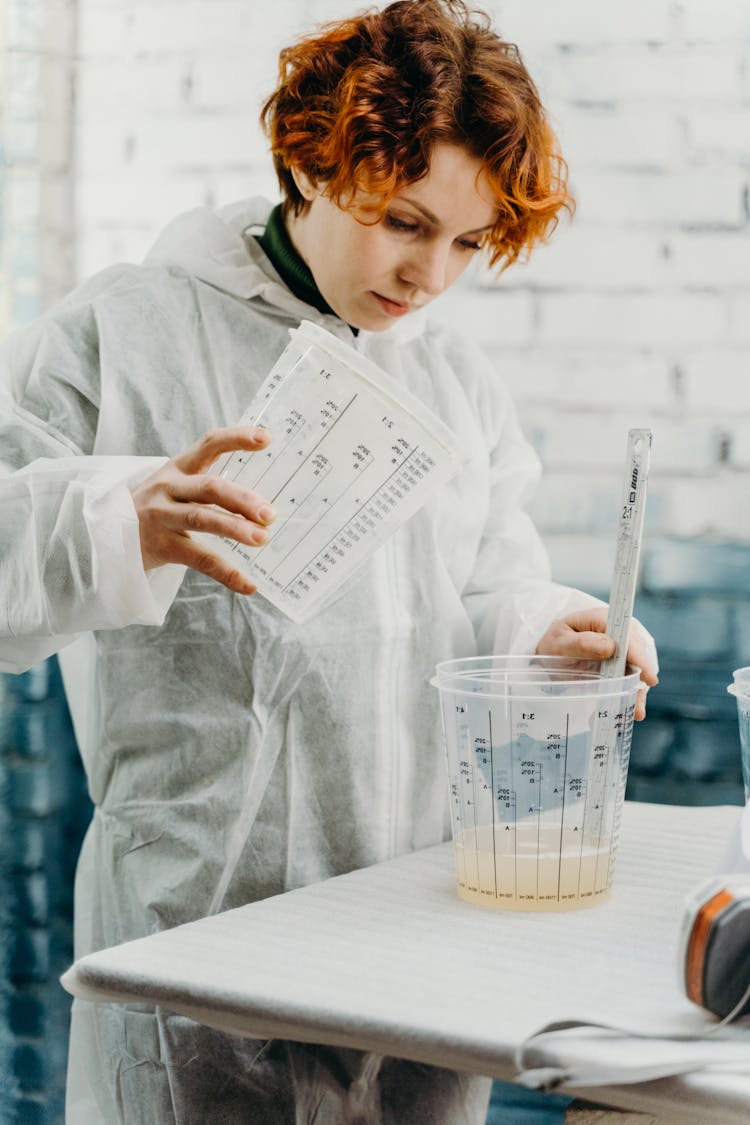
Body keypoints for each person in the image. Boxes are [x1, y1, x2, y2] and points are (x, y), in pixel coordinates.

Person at [0, 0, 658, 1121]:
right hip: (196, 940)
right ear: (311, 162)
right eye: (404, 221)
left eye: (466, 241)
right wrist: (126, 516)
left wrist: (550, 628)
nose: (430, 274)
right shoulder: (120, 334)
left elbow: (489, 585)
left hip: (408, 940)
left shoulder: (450, 380)